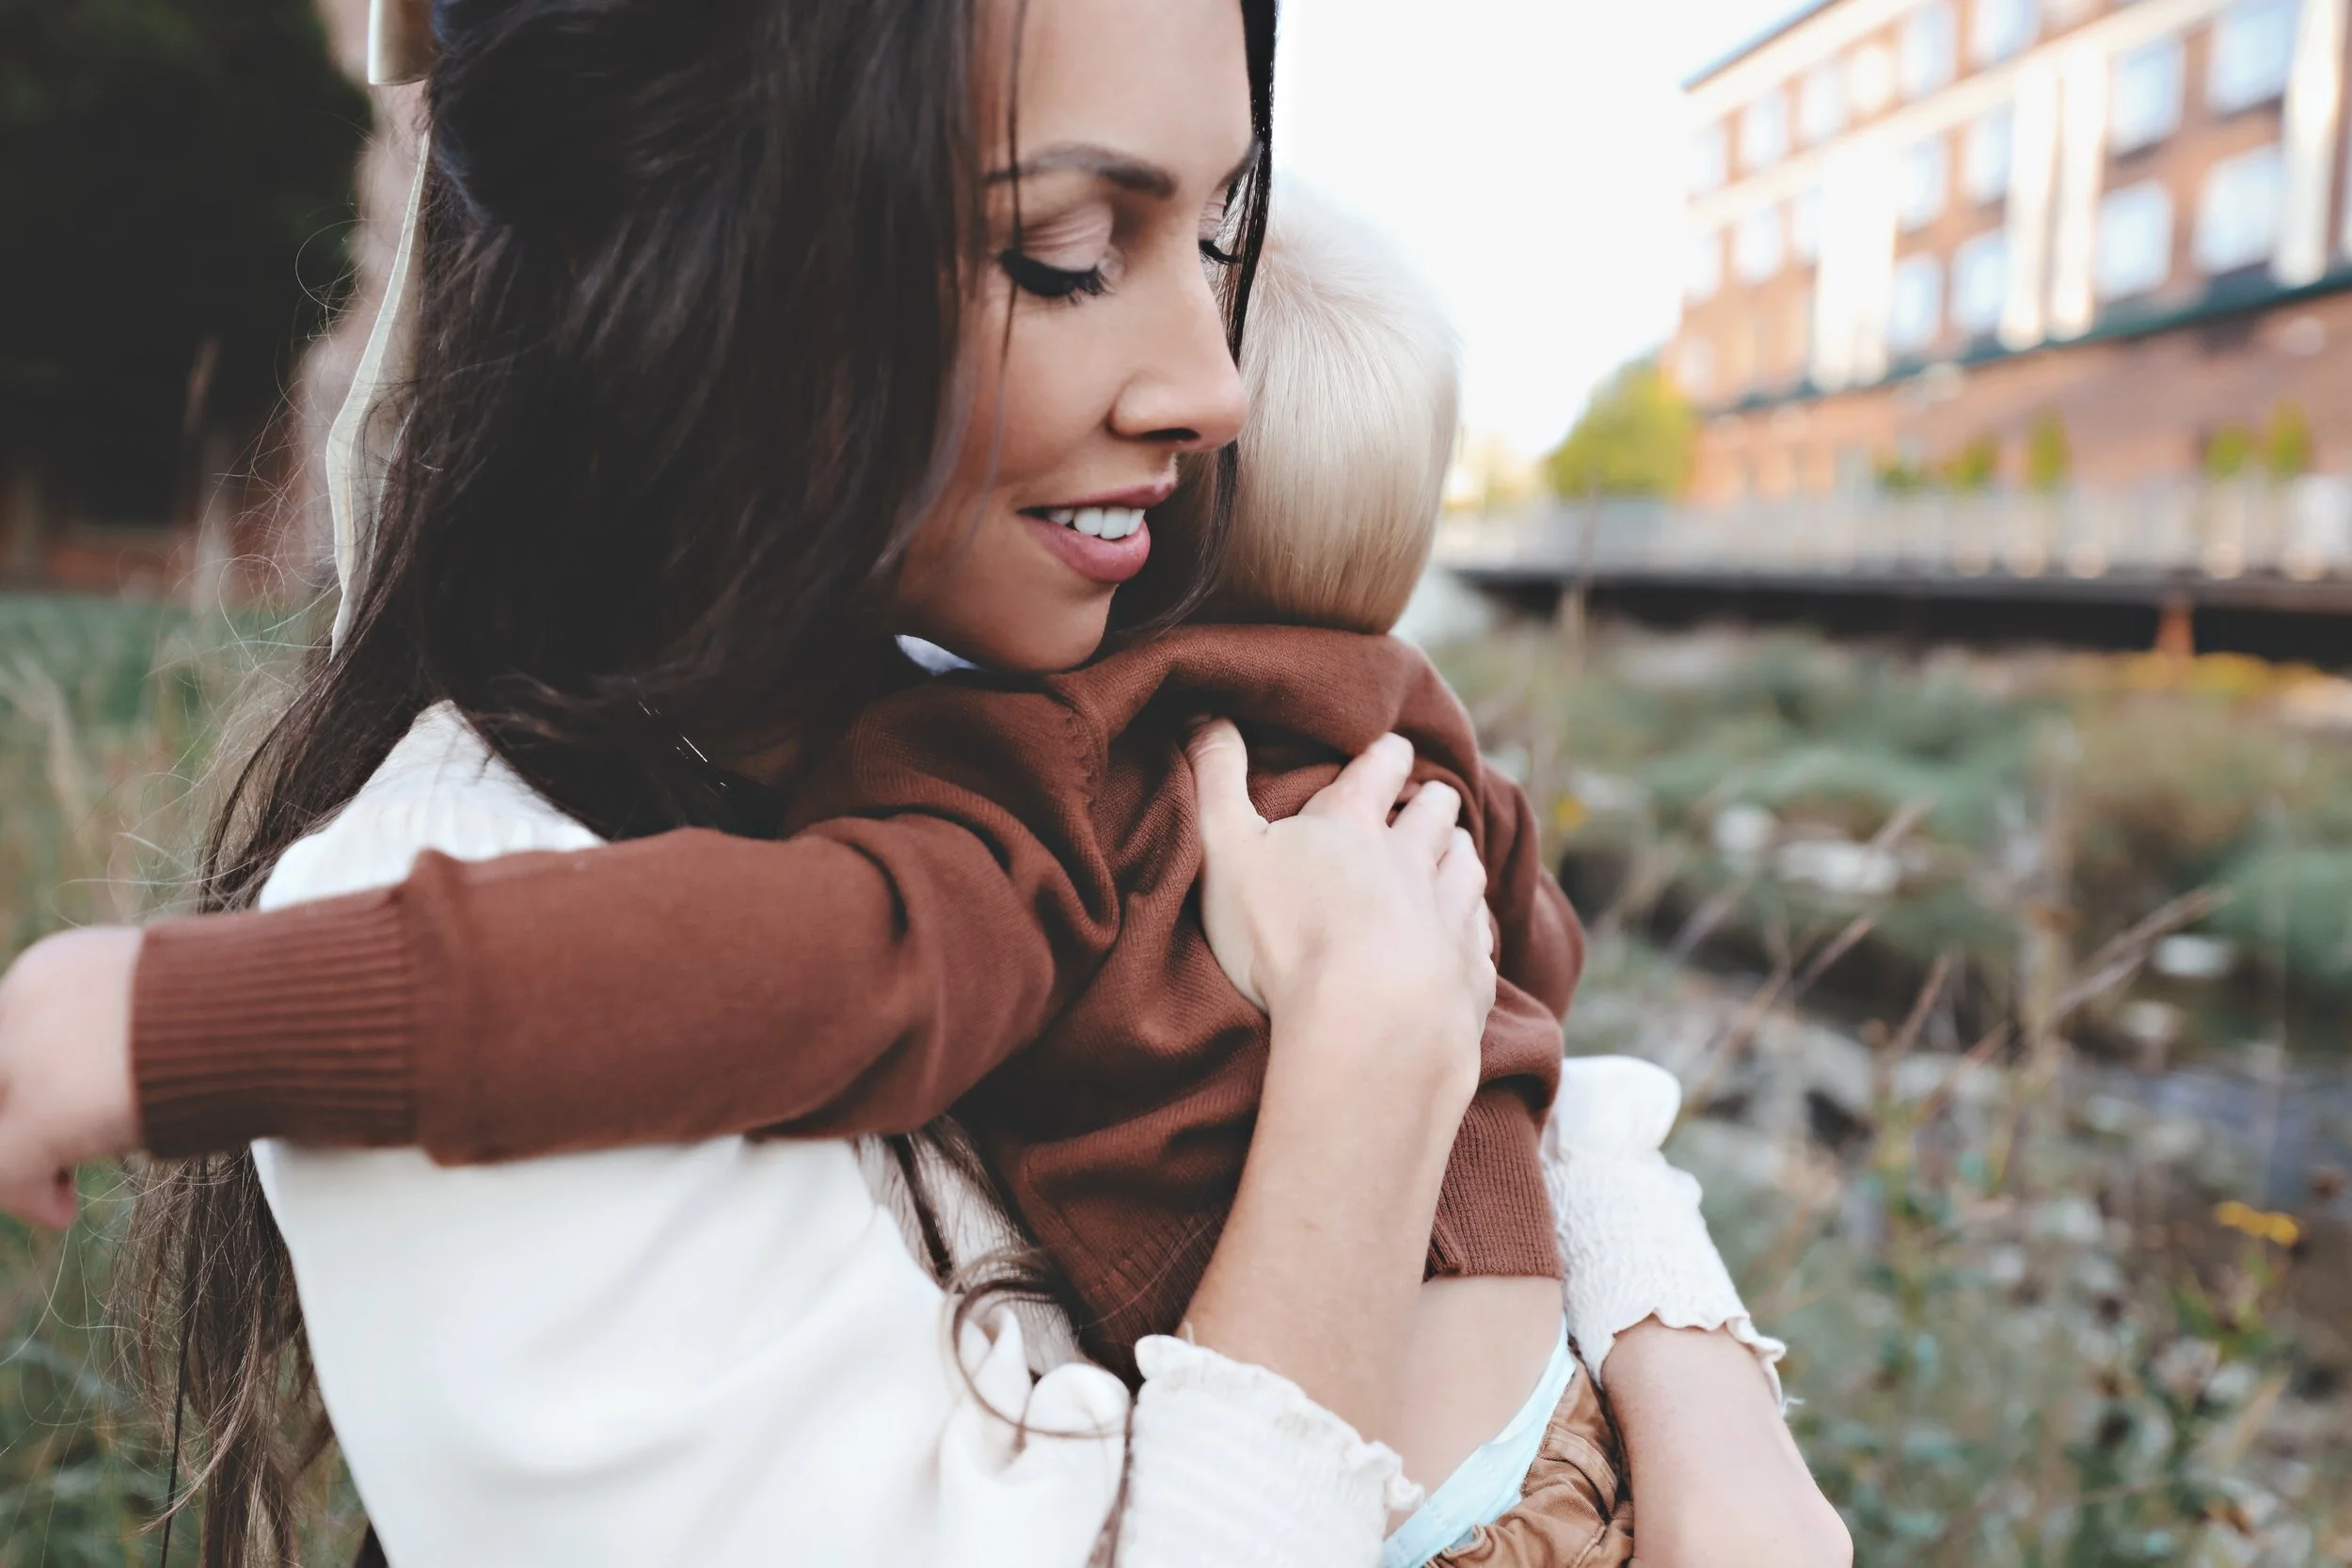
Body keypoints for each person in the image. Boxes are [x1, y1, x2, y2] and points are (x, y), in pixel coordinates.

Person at [0, 2, 1851, 1566]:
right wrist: (1360, 1076)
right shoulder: (510, 935)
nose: (1213, 385)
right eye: (1062, 250)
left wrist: (1703, 1403)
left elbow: (1537, 1049)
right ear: (698, 248)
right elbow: (1442, 1007)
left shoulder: (994, 676)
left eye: (1213, 240)